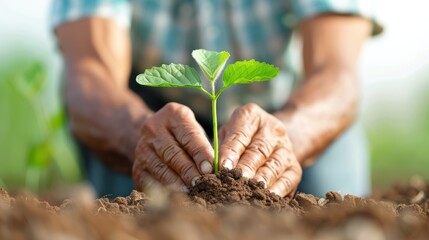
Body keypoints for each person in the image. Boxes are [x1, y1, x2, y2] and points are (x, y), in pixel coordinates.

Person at [51, 0, 381, 198]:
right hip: (150, 115)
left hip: (286, 112)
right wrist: (137, 134)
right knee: (133, 218)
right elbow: (89, 74)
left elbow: (336, 72)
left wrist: (288, 137)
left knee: (332, 210)